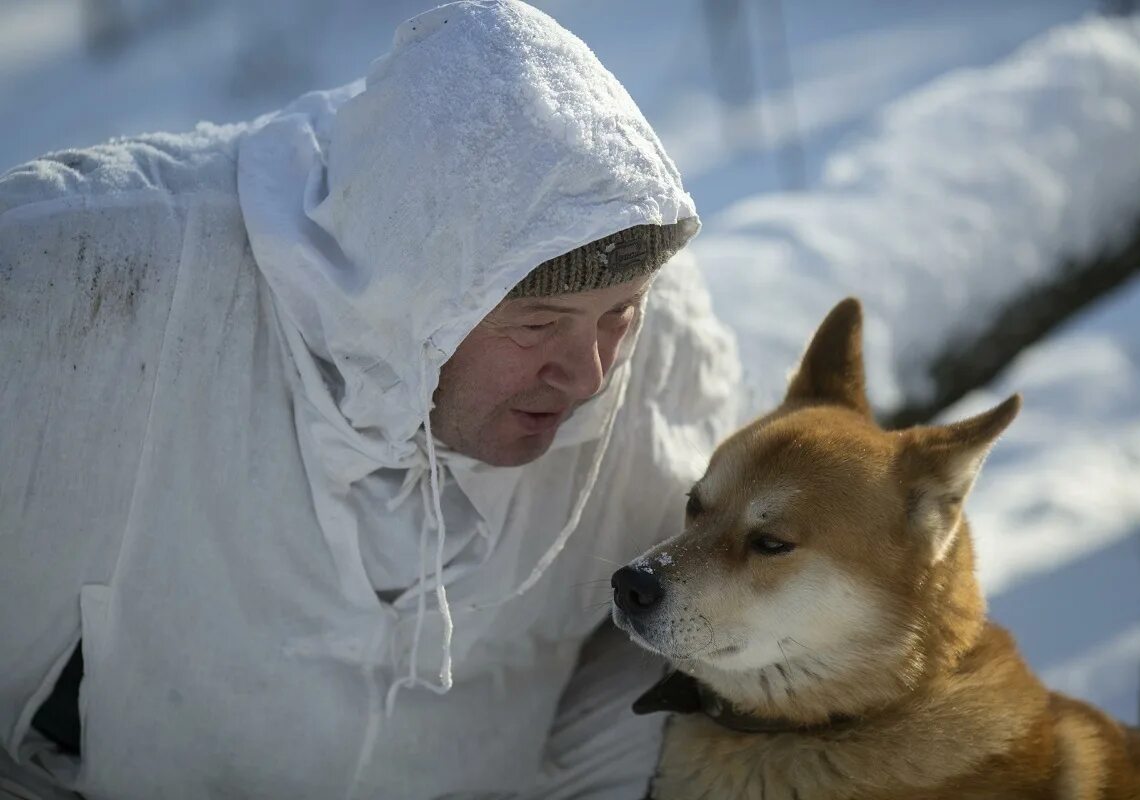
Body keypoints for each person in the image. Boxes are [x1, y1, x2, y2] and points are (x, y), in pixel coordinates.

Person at [0, 1, 739, 798]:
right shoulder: (96, 293)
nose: (589, 375)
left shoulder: (661, 357)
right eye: (538, 324)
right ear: (417, 299)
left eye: (619, 314)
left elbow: (678, 644)